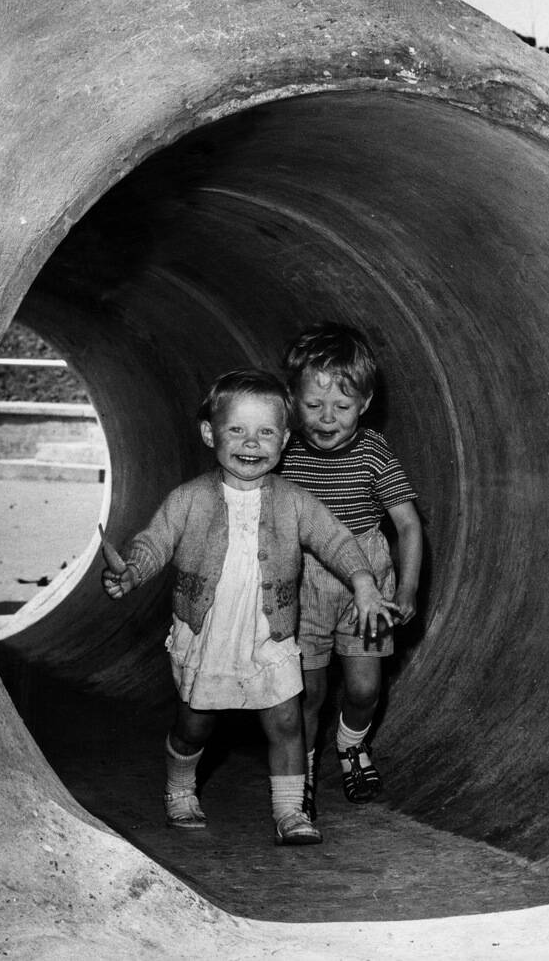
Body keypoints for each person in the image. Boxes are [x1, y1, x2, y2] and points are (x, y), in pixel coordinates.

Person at [100, 368, 396, 846]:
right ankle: (179, 788)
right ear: (209, 433)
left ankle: (290, 813)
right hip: (210, 633)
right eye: (237, 430)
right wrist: (130, 572)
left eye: (265, 432)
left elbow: (337, 540)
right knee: (194, 726)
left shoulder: (295, 501)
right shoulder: (189, 499)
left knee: (286, 721)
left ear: (284, 440)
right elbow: (154, 543)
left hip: (269, 633)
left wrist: (363, 582)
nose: (251, 443)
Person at [279, 323, 423, 817]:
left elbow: (407, 525)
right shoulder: (284, 453)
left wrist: (406, 590)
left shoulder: (372, 451)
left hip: (367, 582)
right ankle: (302, 769)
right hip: (303, 583)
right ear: (293, 402)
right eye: (314, 405)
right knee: (307, 691)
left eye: (341, 407)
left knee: (364, 688)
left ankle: (351, 744)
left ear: (363, 404)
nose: (327, 418)